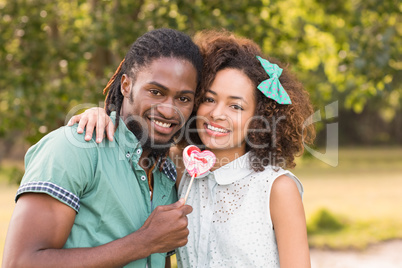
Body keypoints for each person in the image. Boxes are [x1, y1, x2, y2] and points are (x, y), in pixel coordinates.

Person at [67, 30, 315, 267]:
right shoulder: (180, 169)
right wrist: (101, 114)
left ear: (260, 117)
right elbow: (133, 135)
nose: (217, 114)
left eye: (236, 107)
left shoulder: (277, 188)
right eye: (209, 99)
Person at [2, 28, 204, 268]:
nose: (169, 110)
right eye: (156, 92)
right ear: (126, 85)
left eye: (183, 99)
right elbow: (21, 262)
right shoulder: (75, 149)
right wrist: (145, 241)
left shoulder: (167, 173)